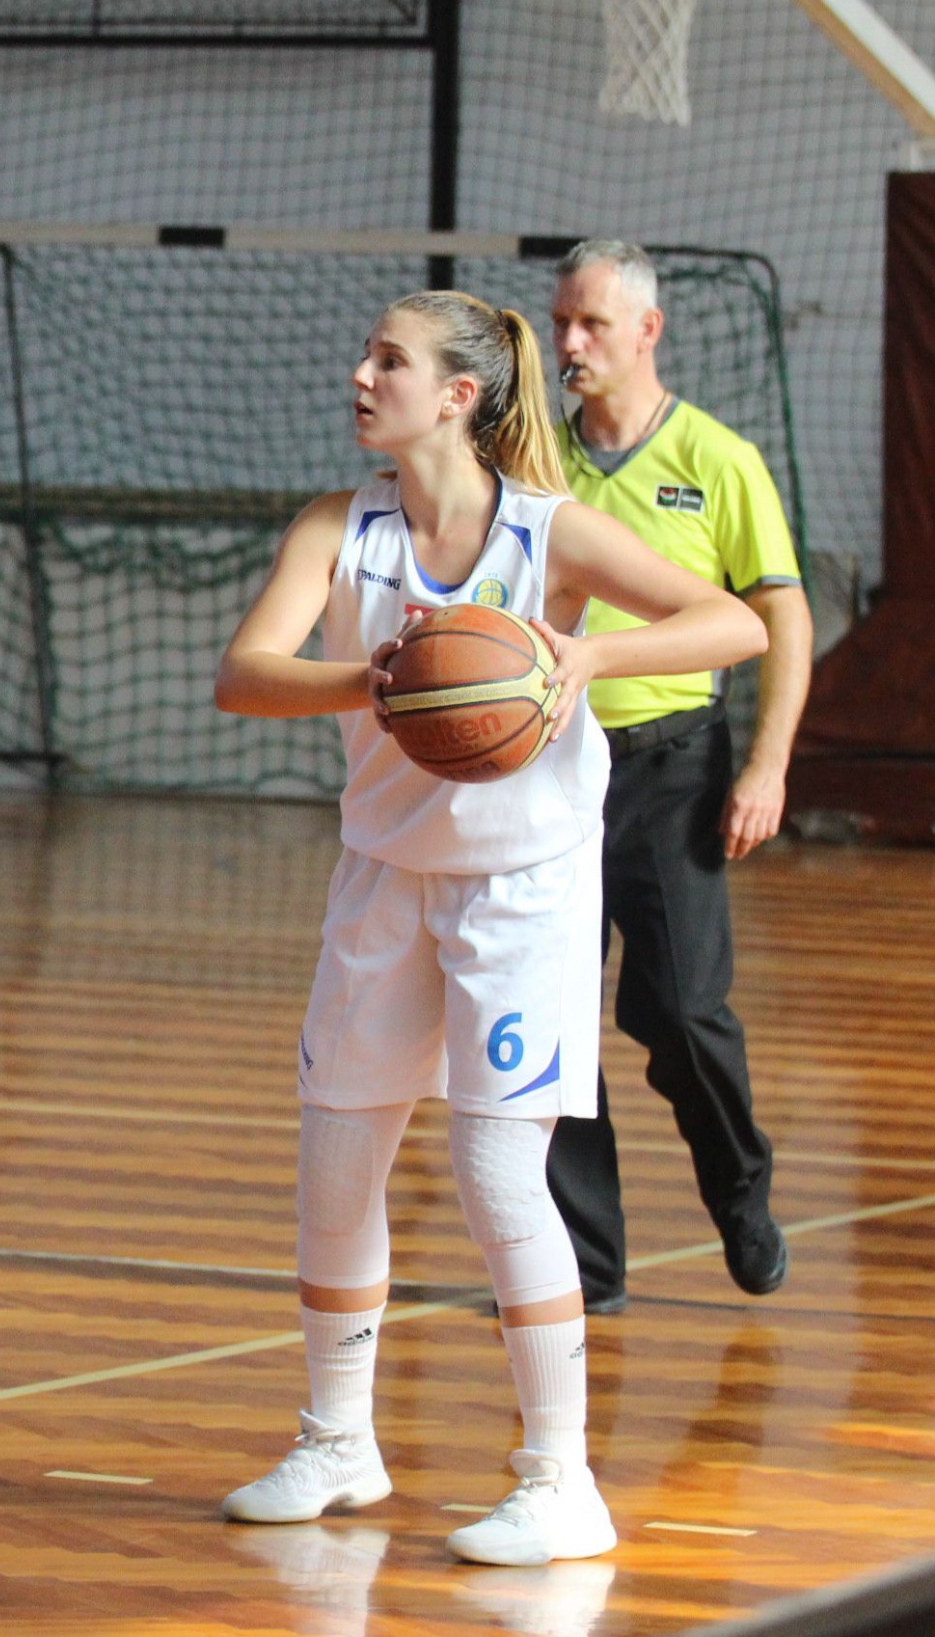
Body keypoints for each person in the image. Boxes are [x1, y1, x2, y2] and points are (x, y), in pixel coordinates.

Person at [213, 291, 763, 1564]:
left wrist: (584, 659)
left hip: (520, 891)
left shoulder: (547, 530)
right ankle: (336, 1440)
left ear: (458, 394)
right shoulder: (337, 527)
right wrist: (380, 678)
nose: (360, 375)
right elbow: (242, 674)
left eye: (388, 360)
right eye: (365, 355)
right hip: (382, 877)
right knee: (334, 1165)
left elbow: (730, 619)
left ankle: (561, 1480)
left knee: (499, 1172)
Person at [546, 239, 811, 1313]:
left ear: (648, 330)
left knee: (682, 1012)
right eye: (560, 323)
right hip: (551, 770)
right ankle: (586, 1269)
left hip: (672, 766)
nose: (569, 343)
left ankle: (741, 1195)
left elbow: (781, 614)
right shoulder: (533, 464)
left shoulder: (718, 458)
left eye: (592, 324)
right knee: (553, 1022)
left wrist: (768, 763)